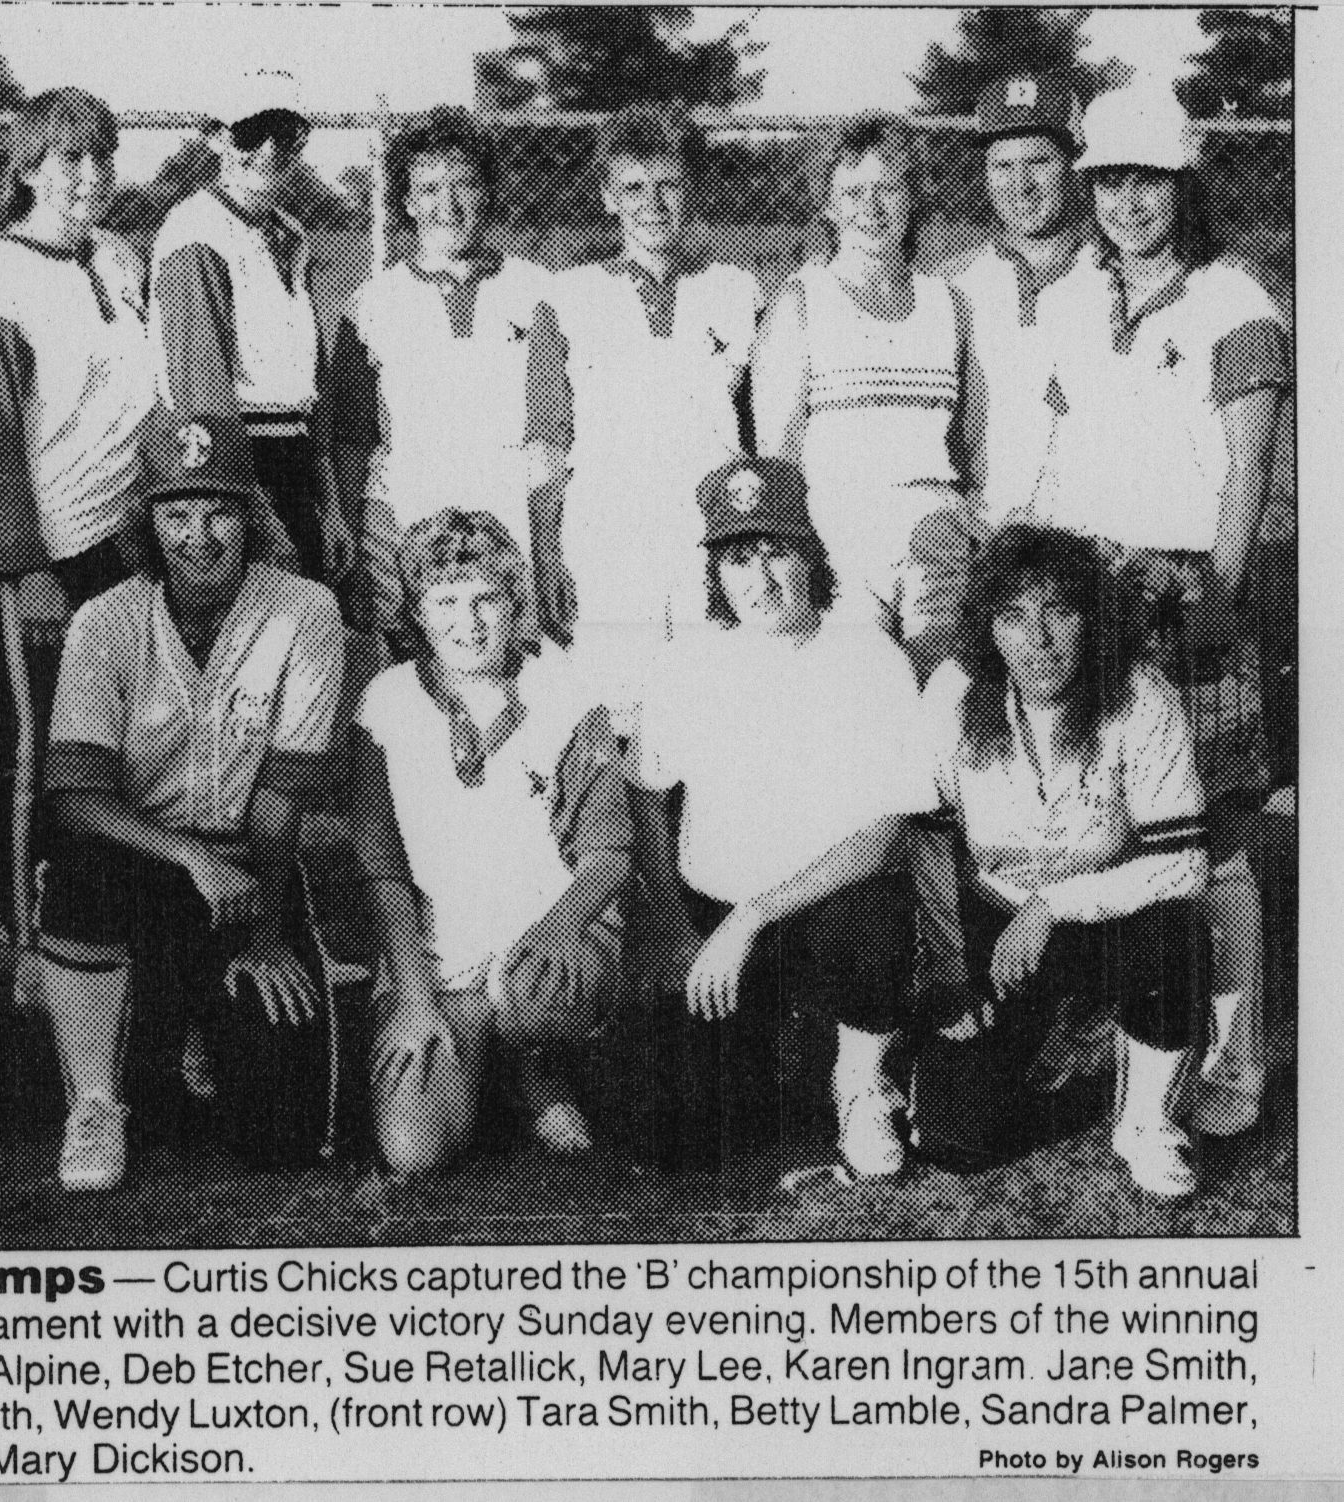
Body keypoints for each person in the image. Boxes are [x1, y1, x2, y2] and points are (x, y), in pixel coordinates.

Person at [1038, 86, 1289, 1139]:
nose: (1127, 202)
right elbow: (1057, 454)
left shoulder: (1234, 301)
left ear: (1182, 186)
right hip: (1087, 586)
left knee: (1214, 837)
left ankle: (1236, 1058)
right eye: (1109, 181)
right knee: (1113, 821)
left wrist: (1211, 599)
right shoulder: (1066, 300)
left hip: (1185, 588)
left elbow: (1246, 469)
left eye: (1147, 181)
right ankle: (1136, 1027)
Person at [32, 412, 346, 1192]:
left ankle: (200, 1020)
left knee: (285, 1138)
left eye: (219, 512)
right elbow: (75, 800)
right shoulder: (104, 620)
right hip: (134, 866)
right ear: (148, 521)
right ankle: (99, 1101)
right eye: (176, 513)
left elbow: (280, 799)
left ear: (252, 515)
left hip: (249, 875)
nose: (198, 535)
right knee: (76, 865)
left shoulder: (304, 610)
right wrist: (187, 855)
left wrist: (268, 935)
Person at [625, 458, 934, 1179]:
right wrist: (676, 931)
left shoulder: (869, 656)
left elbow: (883, 833)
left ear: (811, 555)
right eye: (737, 559)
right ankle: (777, 1052)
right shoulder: (683, 662)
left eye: (776, 554)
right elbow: (646, 794)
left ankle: (859, 1084)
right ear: (716, 571)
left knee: (875, 922)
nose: (758, 582)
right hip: (715, 916)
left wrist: (754, 915)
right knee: (686, 1141)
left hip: (828, 913)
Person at [913, 526, 1211, 1197]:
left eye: (1060, 611)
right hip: (993, 930)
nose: (1039, 640)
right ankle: (1090, 1043)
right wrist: (951, 971)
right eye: (1014, 616)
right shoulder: (955, 694)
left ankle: (1146, 1122)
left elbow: (1185, 863)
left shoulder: (1139, 695)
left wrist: (1055, 904)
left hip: (1104, 921)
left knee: (1176, 934)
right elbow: (927, 839)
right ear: (988, 627)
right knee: (954, 1140)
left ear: (1093, 618)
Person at [0, 86, 162, 970]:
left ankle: (121, 922)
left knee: (128, 742)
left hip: (127, 541)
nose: (90, 176)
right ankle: (26, 946)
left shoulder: (118, 257)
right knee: (42, 751)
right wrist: (25, 568)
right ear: (30, 168)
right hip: (54, 551)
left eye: (102, 156)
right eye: (69, 158)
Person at [352, 511, 629, 1174]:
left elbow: (609, 853)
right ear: (416, 612)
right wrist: (417, 999)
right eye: (444, 602)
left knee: (523, 994)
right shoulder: (385, 701)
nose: (468, 621)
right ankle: (478, 1051)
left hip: (547, 941)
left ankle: (537, 1069)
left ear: (514, 603)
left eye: (486, 600)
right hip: (438, 962)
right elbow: (382, 870)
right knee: (415, 1152)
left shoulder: (561, 685)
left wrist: (561, 927)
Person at [528, 104, 761, 663]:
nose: (652, 205)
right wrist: (547, 552)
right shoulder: (566, 298)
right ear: (609, 198)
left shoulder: (735, 290)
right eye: (633, 189)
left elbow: (757, 434)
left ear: (689, 191)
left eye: (667, 186)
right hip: (610, 534)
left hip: (711, 533)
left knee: (711, 696)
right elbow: (547, 446)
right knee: (618, 707)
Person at [751, 114, 982, 672]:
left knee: (938, 694)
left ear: (913, 199)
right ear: (828, 205)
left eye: (888, 188)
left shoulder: (948, 303)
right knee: (860, 694)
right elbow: (777, 454)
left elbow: (972, 444)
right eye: (852, 192)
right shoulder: (801, 301)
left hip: (934, 534)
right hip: (839, 530)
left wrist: (961, 521)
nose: (870, 208)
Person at [330, 108, 559, 643]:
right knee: (410, 665)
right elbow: (352, 437)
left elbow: (552, 429)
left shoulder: (539, 291)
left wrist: (548, 539)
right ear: (407, 203)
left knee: (511, 660)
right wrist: (357, 527)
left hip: (508, 512)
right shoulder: (372, 303)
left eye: (463, 185)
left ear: (487, 193)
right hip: (405, 514)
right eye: (429, 189)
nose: (447, 205)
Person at [149, 69, 353, 585]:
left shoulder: (290, 234)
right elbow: (202, 398)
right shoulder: (195, 234)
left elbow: (312, 389)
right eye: (248, 132)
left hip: (294, 458)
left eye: (284, 133)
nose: (267, 150)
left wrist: (327, 507)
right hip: (233, 468)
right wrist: (256, 515)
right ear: (216, 137)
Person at [945, 72, 1094, 529]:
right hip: (991, 529)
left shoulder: (1118, 272)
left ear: (1074, 165)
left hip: (1100, 526)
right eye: (1001, 167)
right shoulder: (958, 283)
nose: (1019, 184)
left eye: (1038, 162)